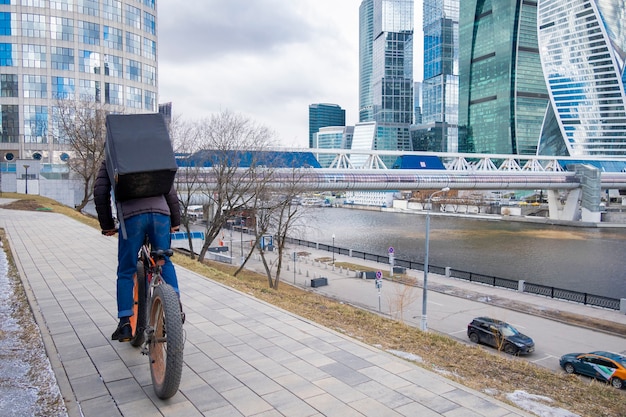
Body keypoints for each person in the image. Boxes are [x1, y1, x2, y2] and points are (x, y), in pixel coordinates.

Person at [94, 159, 181, 342]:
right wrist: (175, 221)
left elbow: (100, 192)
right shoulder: (152, 153)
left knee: (126, 270)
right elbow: (170, 191)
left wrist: (108, 225)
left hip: (131, 217)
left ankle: (125, 324)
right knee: (164, 259)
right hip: (160, 215)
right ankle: (175, 308)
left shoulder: (112, 158)